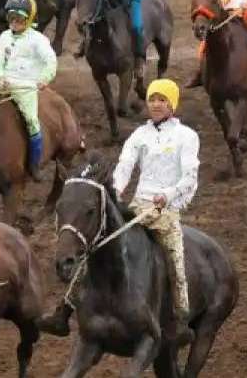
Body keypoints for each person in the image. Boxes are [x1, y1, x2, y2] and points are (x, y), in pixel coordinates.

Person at [38, 79, 198, 337]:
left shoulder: (186, 137)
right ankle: (64, 310)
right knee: (94, 247)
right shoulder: (140, 134)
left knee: (175, 259)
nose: (156, 105)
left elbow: (189, 176)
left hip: (165, 211)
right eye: (152, 99)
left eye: (162, 100)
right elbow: (124, 166)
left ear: (172, 105)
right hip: (137, 207)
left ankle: (181, 318)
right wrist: (113, 191)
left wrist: (167, 196)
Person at [0, 0, 57, 180]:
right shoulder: (3, 37)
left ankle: (34, 165)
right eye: (11, 18)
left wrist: (44, 78)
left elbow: (50, 61)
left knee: (32, 122)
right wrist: (0, 77)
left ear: (29, 19)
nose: (15, 22)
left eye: (20, 18)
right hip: (2, 83)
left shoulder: (38, 40)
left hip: (26, 88)